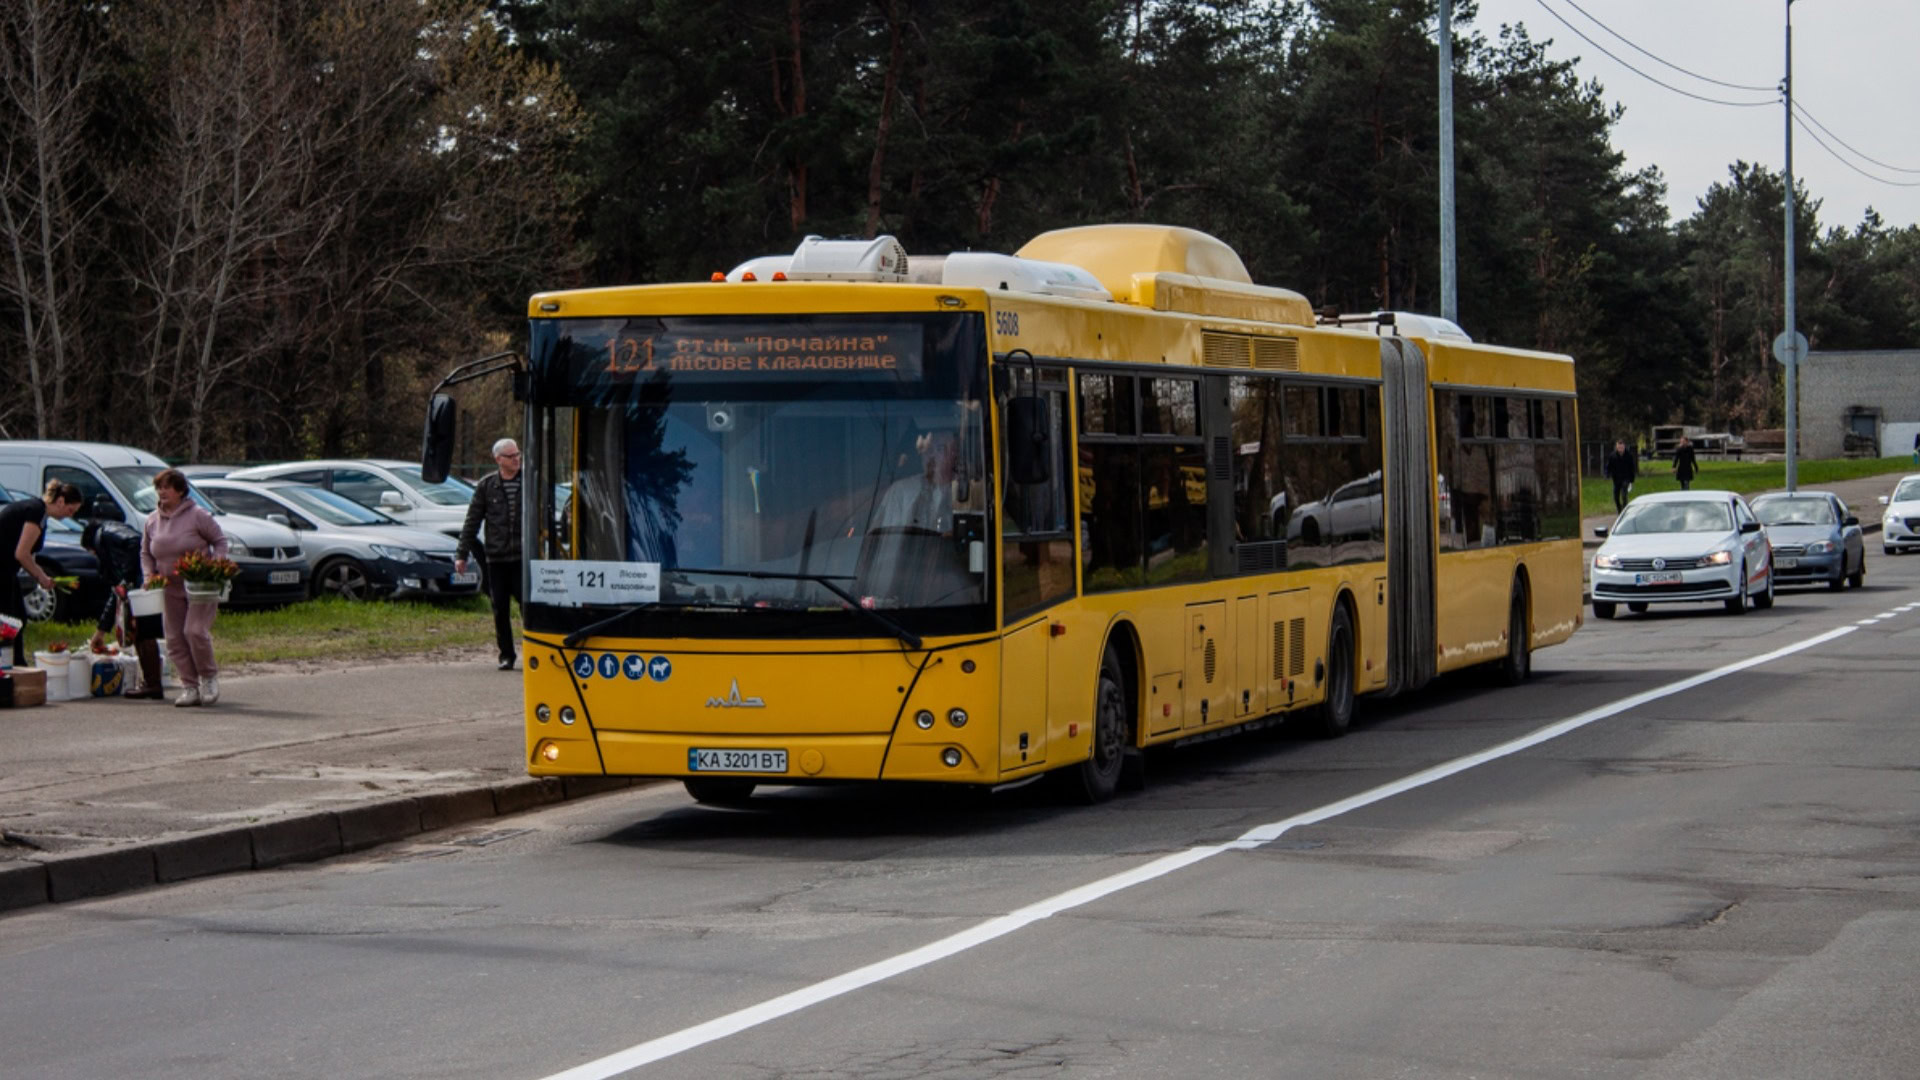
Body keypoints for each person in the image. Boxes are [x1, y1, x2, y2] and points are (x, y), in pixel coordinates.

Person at [140, 469, 228, 707]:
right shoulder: (151, 520)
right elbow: (146, 553)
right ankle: (189, 686)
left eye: (167, 487)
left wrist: (216, 566)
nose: (161, 492)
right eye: (158, 487)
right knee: (175, 638)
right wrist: (149, 575)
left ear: (180, 490)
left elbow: (219, 541)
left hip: (200, 584)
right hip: (169, 587)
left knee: (195, 631)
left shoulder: (198, 515)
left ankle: (208, 678)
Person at [0, 481, 85, 668]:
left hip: (8, 571)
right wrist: (42, 577)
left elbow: (29, 554)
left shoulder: (38, 511)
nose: (68, 516)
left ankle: (17, 665)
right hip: (3, 570)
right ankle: (11, 667)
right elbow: (21, 553)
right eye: (70, 510)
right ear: (60, 501)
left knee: (17, 619)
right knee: (9, 622)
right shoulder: (36, 511)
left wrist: (38, 573)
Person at [457, 438, 524, 670]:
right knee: (500, 608)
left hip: (523, 558)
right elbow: (472, 522)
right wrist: (461, 554)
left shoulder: (530, 482)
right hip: (496, 559)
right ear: (498, 460)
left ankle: (538, 651)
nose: (516, 459)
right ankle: (507, 655)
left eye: (518, 454)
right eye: (511, 456)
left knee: (528, 606)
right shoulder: (486, 486)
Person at [83, 519, 166, 699]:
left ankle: (152, 684)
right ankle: (151, 683)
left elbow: (134, 542)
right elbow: (116, 593)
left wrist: (127, 577)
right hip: (141, 582)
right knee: (140, 633)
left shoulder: (106, 533)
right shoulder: (111, 536)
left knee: (145, 632)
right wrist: (101, 631)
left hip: (141, 584)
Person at [873, 430, 959, 533]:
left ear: (953, 453)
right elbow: (887, 541)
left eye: (939, 449)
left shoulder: (970, 490)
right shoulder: (901, 491)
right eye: (927, 450)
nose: (931, 456)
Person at [1604, 439, 1638, 512]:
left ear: (1624, 447)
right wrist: (1607, 474)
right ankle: (1619, 509)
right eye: (1619, 447)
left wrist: (1632, 479)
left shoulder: (1629, 456)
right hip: (1616, 479)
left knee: (1624, 495)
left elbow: (1632, 467)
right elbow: (1608, 466)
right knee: (1616, 497)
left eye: (1622, 447)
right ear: (1617, 447)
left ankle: (1625, 509)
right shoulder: (1612, 456)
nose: (1620, 449)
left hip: (1626, 478)